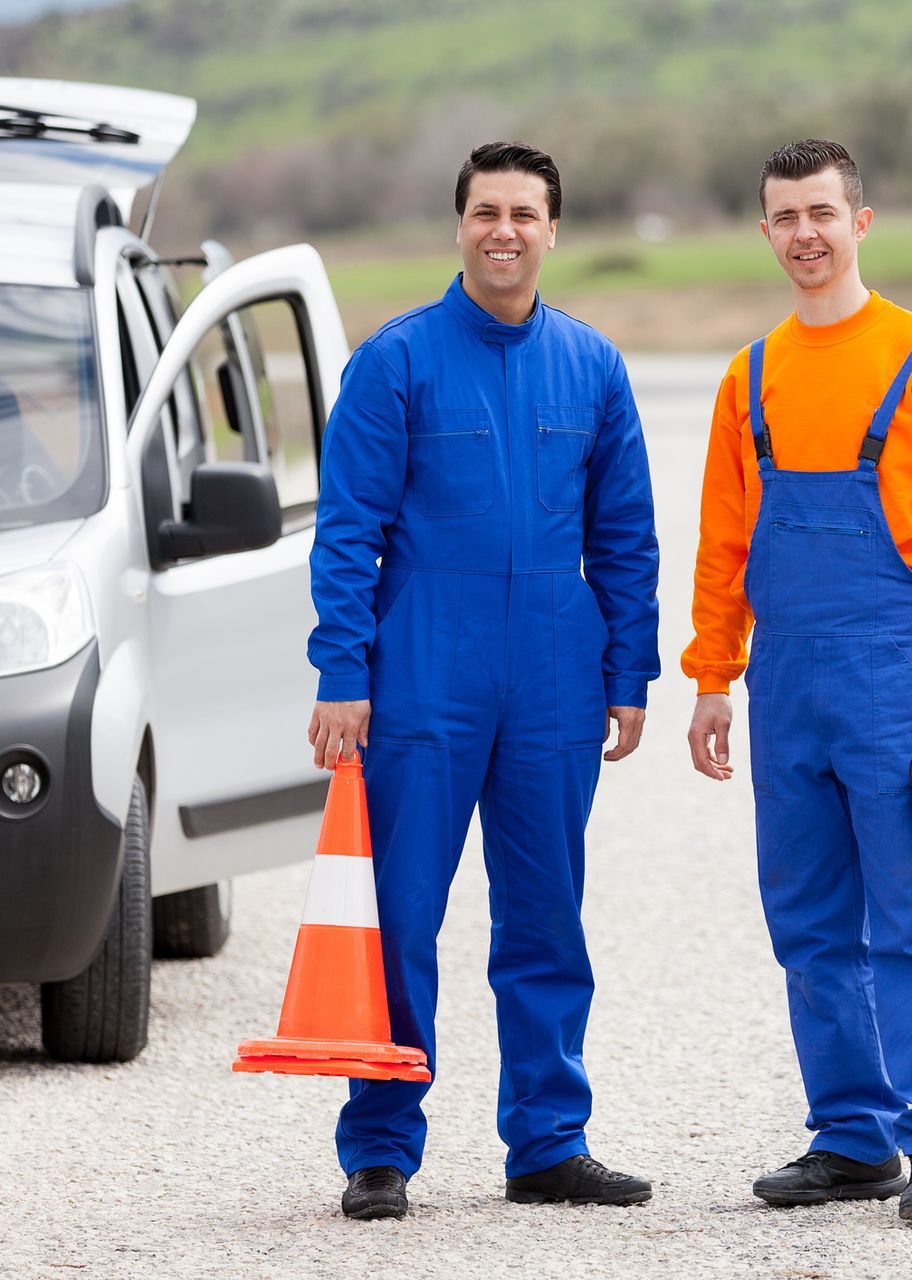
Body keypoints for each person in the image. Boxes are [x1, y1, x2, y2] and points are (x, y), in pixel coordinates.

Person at [306, 142, 660, 1221]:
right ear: (459, 226)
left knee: (548, 915)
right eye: (486, 211)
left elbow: (626, 534)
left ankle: (549, 1139)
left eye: (526, 212)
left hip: (555, 671)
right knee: (402, 915)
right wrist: (342, 669)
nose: (505, 229)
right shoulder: (397, 361)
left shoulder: (593, 366)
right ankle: (380, 1144)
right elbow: (347, 530)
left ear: (554, 230)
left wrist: (628, 668)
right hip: (425, 674)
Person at [683, 139, 912, 1224]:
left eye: (823, 213)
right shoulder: (749, 377)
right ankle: (851, 1136)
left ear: (861, 222)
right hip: (784, 680)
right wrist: (710, 675)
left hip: (890, 674)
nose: (805, 234)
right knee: (810, 919)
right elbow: (724, 544)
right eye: (785, 216)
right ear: (765, 231)